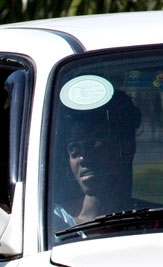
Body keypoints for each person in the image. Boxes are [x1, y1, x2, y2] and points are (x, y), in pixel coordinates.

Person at [53, 91, 142, 227]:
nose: (83, 158)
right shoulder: (54, 223)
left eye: (95, 145)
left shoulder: (159, 223)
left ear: (126, 147)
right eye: (74, 150)